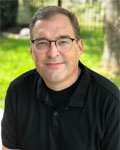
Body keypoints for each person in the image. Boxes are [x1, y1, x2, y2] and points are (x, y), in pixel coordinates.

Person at [1, 6, 119, 150]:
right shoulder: (18, 91)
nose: (53, 53)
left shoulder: (109, 101)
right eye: (42, 43)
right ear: (32, 52)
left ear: (80, 48)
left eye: (63, 41)